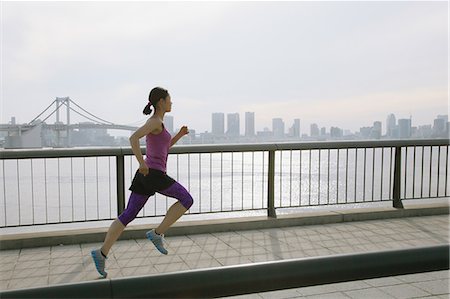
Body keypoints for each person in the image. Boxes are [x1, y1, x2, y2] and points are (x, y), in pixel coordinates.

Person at [91, 87, 194, 278]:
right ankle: (157, 233)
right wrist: (140, 162)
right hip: (153, 174)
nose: (172, 103)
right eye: (169, 99)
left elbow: (164, 148)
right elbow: (133, 138)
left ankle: (101, 253)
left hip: (147, 176)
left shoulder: (158, 124)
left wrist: (179, 135)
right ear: (161, 102)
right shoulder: (155, 121)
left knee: (128, 215)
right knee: (186, 199)